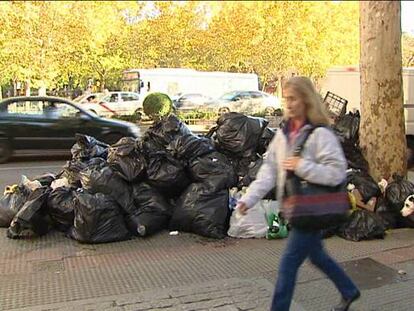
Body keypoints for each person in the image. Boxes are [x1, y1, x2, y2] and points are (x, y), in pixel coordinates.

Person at [236, 76, 360, 311]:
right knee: (317, 257)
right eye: (286, 99)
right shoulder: (283, 134)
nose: (289, 104)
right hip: (299, 209)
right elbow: (269, 171)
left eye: (294, 98)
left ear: (306, 100)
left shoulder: (320, 134)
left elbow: (337, 173)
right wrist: (248, 200)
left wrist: (302, 166)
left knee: (288, 265)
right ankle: (349, 290)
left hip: (311, 208)